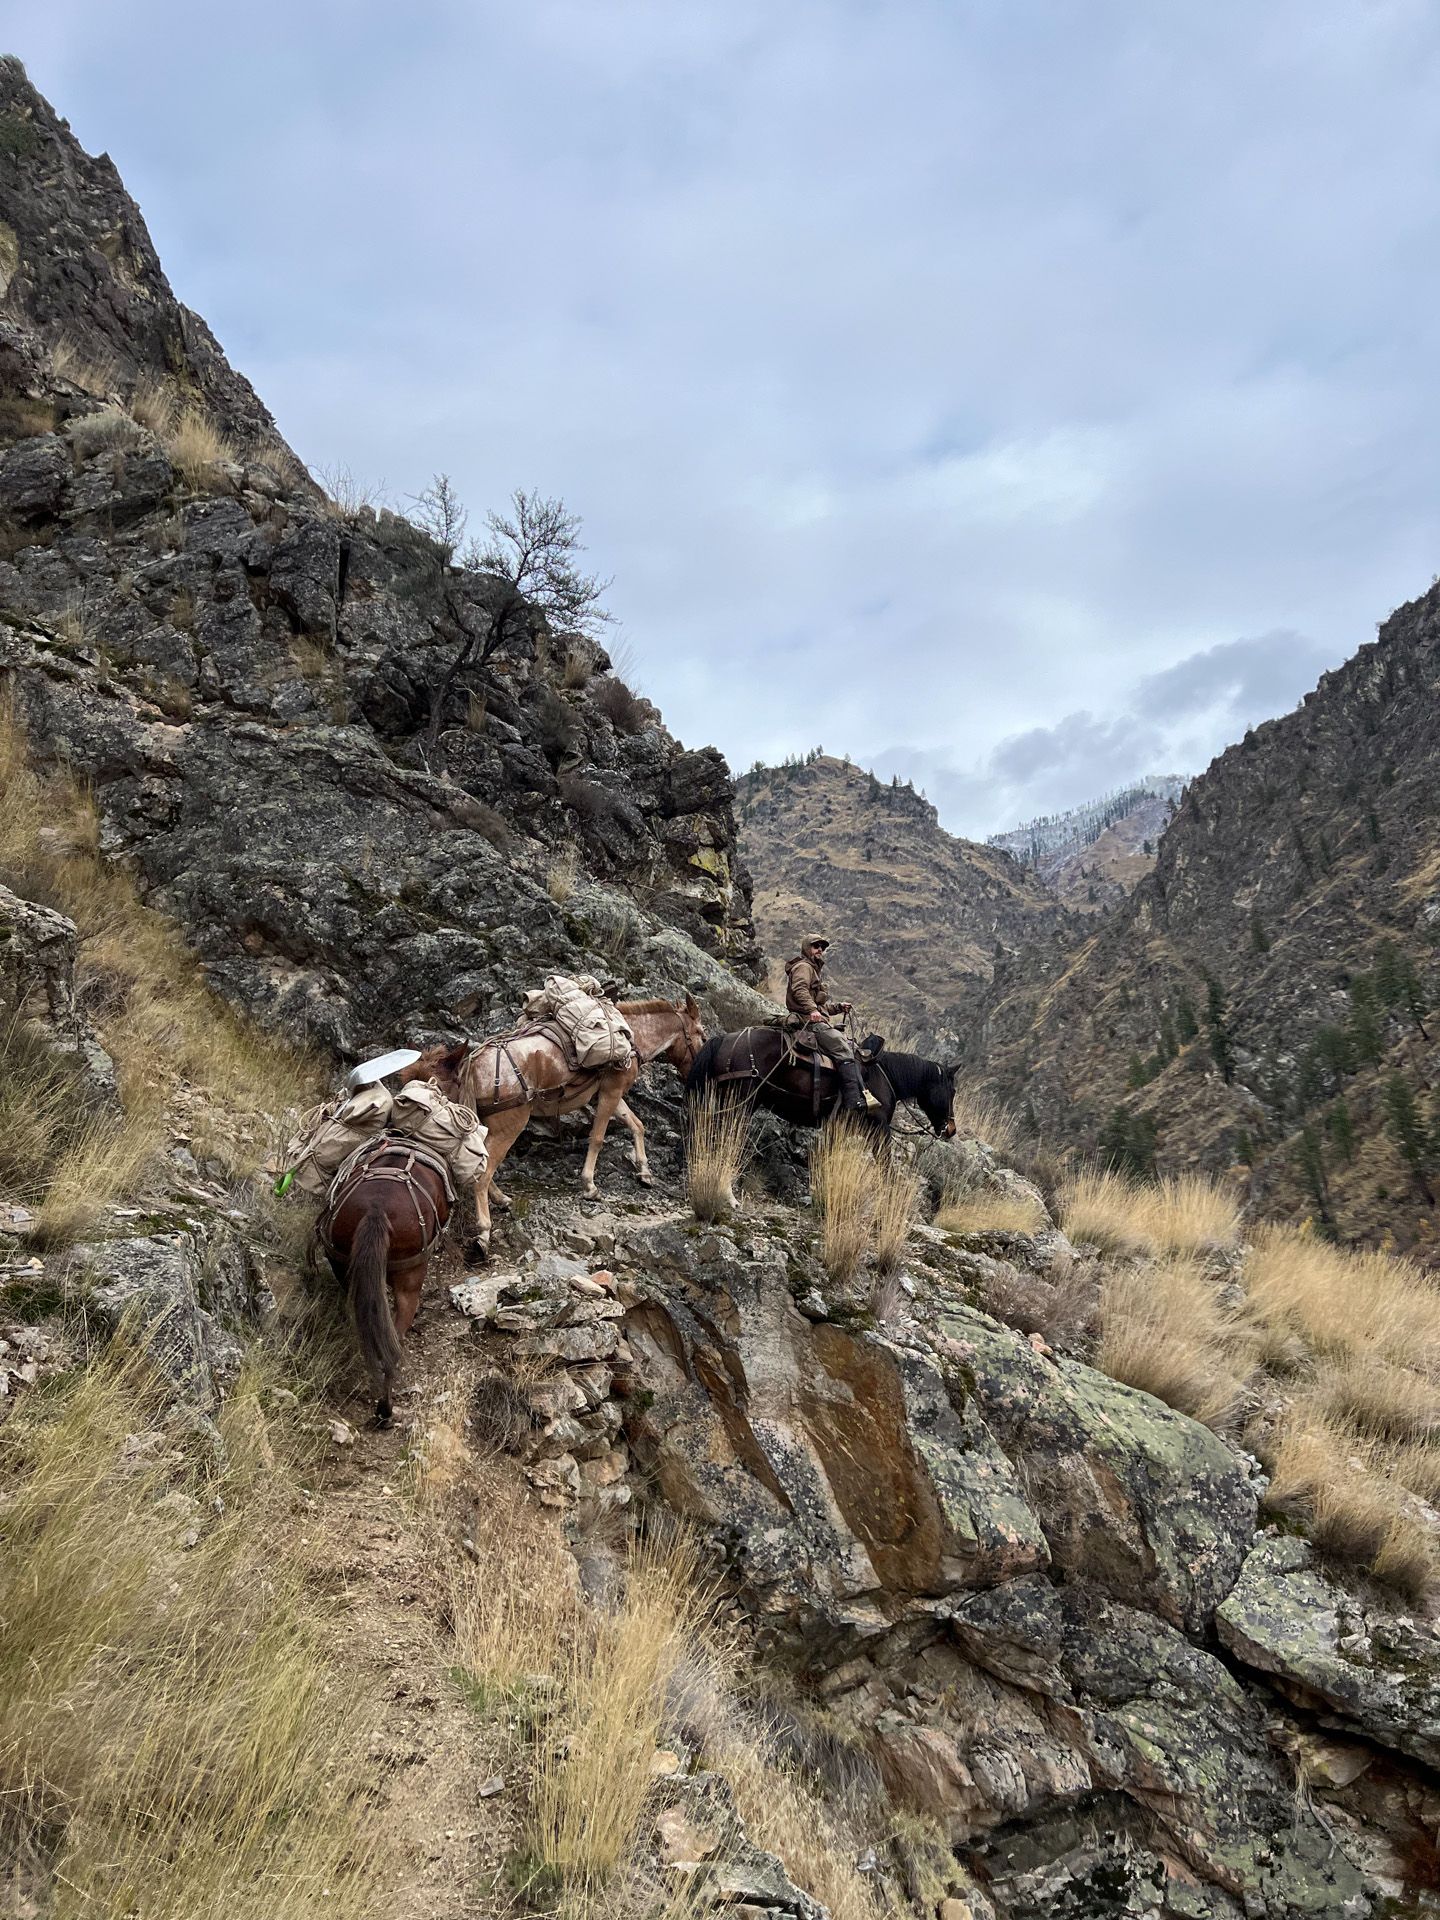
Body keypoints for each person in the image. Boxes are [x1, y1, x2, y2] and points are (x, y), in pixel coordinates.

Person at [783, 934, 869, 1113]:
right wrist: (812, 1010)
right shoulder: (804, 967)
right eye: (816, 946)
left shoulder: (814, 969)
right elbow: (799, 989)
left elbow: (820, 1007)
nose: (820, 950)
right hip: (807, 1021)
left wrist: (838, 1007)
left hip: (813, 1017)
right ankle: (852, 1100)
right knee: (842, 1046)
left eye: (822, 947)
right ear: (807, 948)